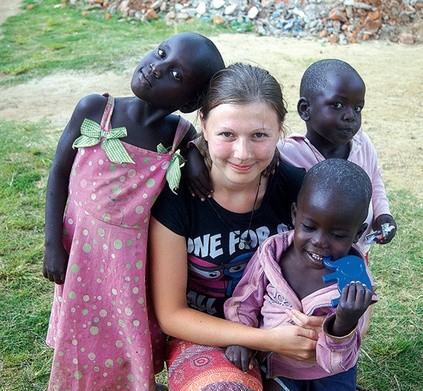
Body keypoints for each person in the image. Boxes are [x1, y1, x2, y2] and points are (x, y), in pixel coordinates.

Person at [42, 32, 225, 391]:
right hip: (83, 251)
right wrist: (51, 244)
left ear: (190, 101)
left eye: (175, 74)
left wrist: (192, 158)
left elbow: (195, 144)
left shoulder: (178, 136)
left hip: (131, 266)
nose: (156, 68)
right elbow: (58, 174)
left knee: (124, 333)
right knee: (79, 329)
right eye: (160, 53)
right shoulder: (96, 110)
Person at [149, 63, 325, 391]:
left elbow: (353, 263)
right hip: (207, 337)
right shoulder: (177, 196)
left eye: (259, 135)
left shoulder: (300, 189)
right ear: (202, 123)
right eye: (227, 134)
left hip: (288, 330)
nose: (242, 154)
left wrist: (338, 324)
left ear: (280, 130)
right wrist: (267, 339)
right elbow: (171, 314)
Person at [224, 158, 378, 391]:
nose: (319, 242)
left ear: (357, 235)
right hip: (279, 367)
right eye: (309, 227)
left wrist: (345, 323)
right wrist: (240, 339)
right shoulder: (271, 255)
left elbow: (339, 361)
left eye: (337, 235)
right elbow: (245, 301)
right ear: (295, 215)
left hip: (330, 372)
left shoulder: (356, 284)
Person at [278, 59, 396, 260]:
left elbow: (374, 180)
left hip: (354, 253)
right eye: (337, 105)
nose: (350, 116)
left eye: (357, 108)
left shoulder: (362, 143)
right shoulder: (288, 154)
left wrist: (382, 214)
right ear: (305, 109)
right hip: (309, 257)